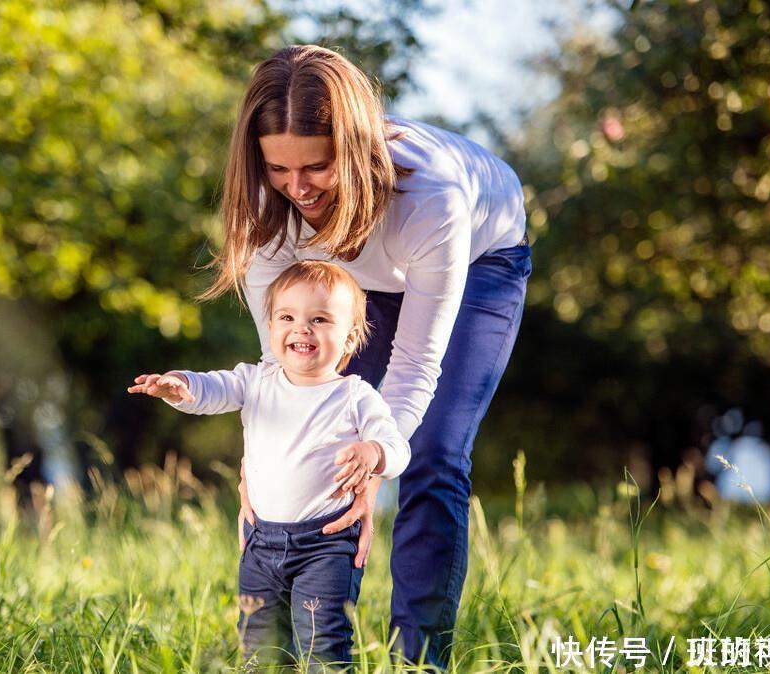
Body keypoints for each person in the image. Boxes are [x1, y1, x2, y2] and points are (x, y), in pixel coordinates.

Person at [201, 44, 533, 668]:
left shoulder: (432, 198)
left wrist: (379, 458)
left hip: (479, 263)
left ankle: (419, 658)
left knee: (432, 454)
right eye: (278, 168)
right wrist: (262, 458)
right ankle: (306, 649)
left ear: (352, 151)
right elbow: (285, 373)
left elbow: (414, 369)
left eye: (317, 166)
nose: (298, 187)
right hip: (353, 273)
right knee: (318, 448)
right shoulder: (271, 209)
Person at [129, 261, 411, 668]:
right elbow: (213, 388)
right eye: (287, 317)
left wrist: (374, 452)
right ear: (271, 326)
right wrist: (181, 385)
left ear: (350, 337)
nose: (302, 329)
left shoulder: (356, 396)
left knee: (322, 641)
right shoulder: (256, 381)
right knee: (260, 646)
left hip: (327, 544)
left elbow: (397, 447)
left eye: (319, 319)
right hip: (260, 543)